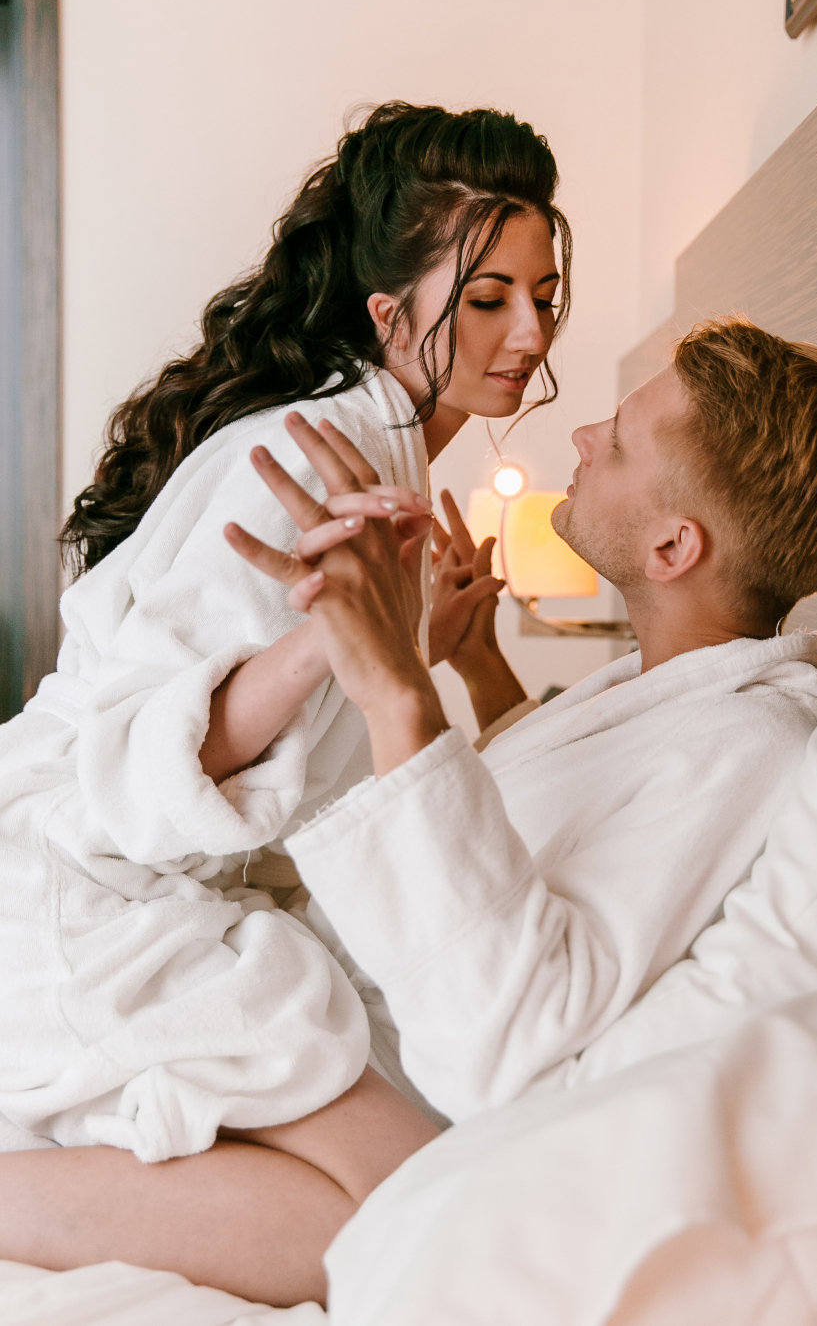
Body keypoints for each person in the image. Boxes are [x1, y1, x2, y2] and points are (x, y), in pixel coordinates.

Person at [0, 318, 817, 1307]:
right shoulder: (665, 685)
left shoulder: (748, 741)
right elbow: (544, 821)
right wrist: (470, 662)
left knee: (411, 1230)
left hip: (392, 1057)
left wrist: (393, 684)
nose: (583, 434)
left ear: (675, 545)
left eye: (620, 442)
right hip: (332, 1005)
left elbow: (515, 1027)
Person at [0, 102, 572, 1281]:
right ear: (388, 313)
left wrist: (420, 649)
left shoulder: (384, 455)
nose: (529, 331)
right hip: (82, 893)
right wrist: (332, 638)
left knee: (416, 1216)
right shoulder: (316, 451)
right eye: (487, 298)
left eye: (543, 293)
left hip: (152, 894)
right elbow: (134, 773)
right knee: (436, 1220)